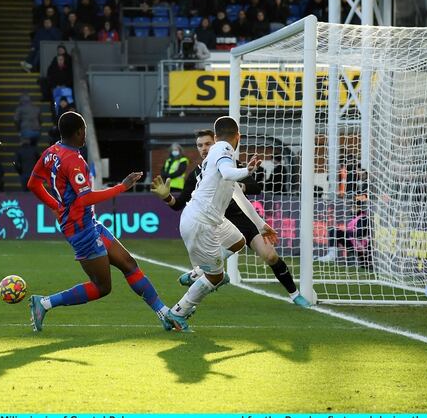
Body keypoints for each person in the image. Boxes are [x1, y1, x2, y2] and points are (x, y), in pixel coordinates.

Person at [26, 111, 172, 331]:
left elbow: (33, 184)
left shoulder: (51, 153)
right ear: (78, 132)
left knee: (129, 264)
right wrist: (121, 187)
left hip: (88, 222)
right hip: (80, 229)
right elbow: (85, 198)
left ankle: (165, 314)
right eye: (84, 129)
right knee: (102, 287)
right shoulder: (73, 160)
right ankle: (44, 303)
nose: (85, 133)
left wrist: (56, 206)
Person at [151, 129, 310, 307]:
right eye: (200, 145)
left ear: (216, 143)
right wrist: (166, 196)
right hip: (217, 224)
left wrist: (238, 185)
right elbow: (178, 204)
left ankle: (295, 295)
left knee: (270, 256)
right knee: (217, 266)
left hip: (242, 220)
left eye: (208, 144)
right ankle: (195, 284)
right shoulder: (197, 174)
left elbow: (255, 186)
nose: (204, 148)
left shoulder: (230, 163)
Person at [163, 117, 277, 332]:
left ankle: (197, 273)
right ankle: (178, 312)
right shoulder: (223, 149)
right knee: (217, 276)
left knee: (238, 241)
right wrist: (248, 171)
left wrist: (261, 225)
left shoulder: (217, 156)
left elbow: (239, 196)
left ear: (214, 137)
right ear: (238, 137)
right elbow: (228, 173)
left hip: (206, 219)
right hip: (200, 221)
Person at [317, 196, 371, 266]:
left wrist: (346, 231)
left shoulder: (363, 218)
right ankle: (332, 254)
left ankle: (332, 256)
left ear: (360, 208)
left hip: (359, 245)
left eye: (355, 207)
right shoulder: (355, 218)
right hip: (353, 242)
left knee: (335, 231)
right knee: (334, 231)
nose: (352, 209)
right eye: (352, 207)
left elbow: (360, 234)